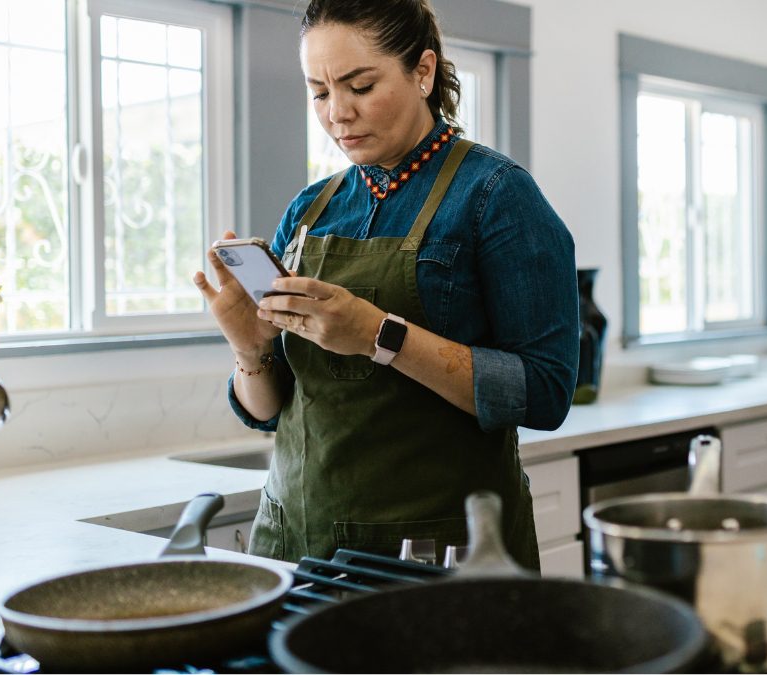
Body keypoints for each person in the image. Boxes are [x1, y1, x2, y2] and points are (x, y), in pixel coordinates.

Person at [192, 0, 577, 569]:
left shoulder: (497, 195)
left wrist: (380, 334)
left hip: (432, 554)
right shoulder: (310, 208)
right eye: (320, 93)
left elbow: (544, 392)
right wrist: (250, 349)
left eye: (361, 86)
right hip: (298, 543)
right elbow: (270, 411)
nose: (337, 114)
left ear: (422, 73)